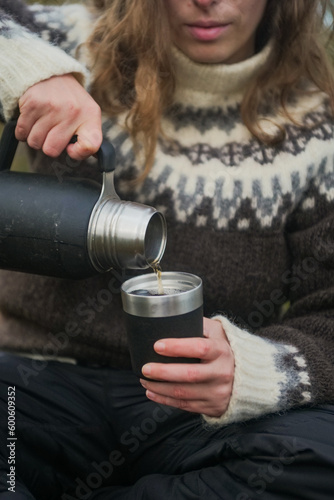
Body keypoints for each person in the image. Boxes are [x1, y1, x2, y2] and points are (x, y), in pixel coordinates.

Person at [0, 0, 334, 498]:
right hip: (32, 385)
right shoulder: (75, 41)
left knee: (317, 457)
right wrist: (31, 68)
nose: (208, 1)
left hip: (196, 417)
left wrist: (256, 371)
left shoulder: (318, 131)